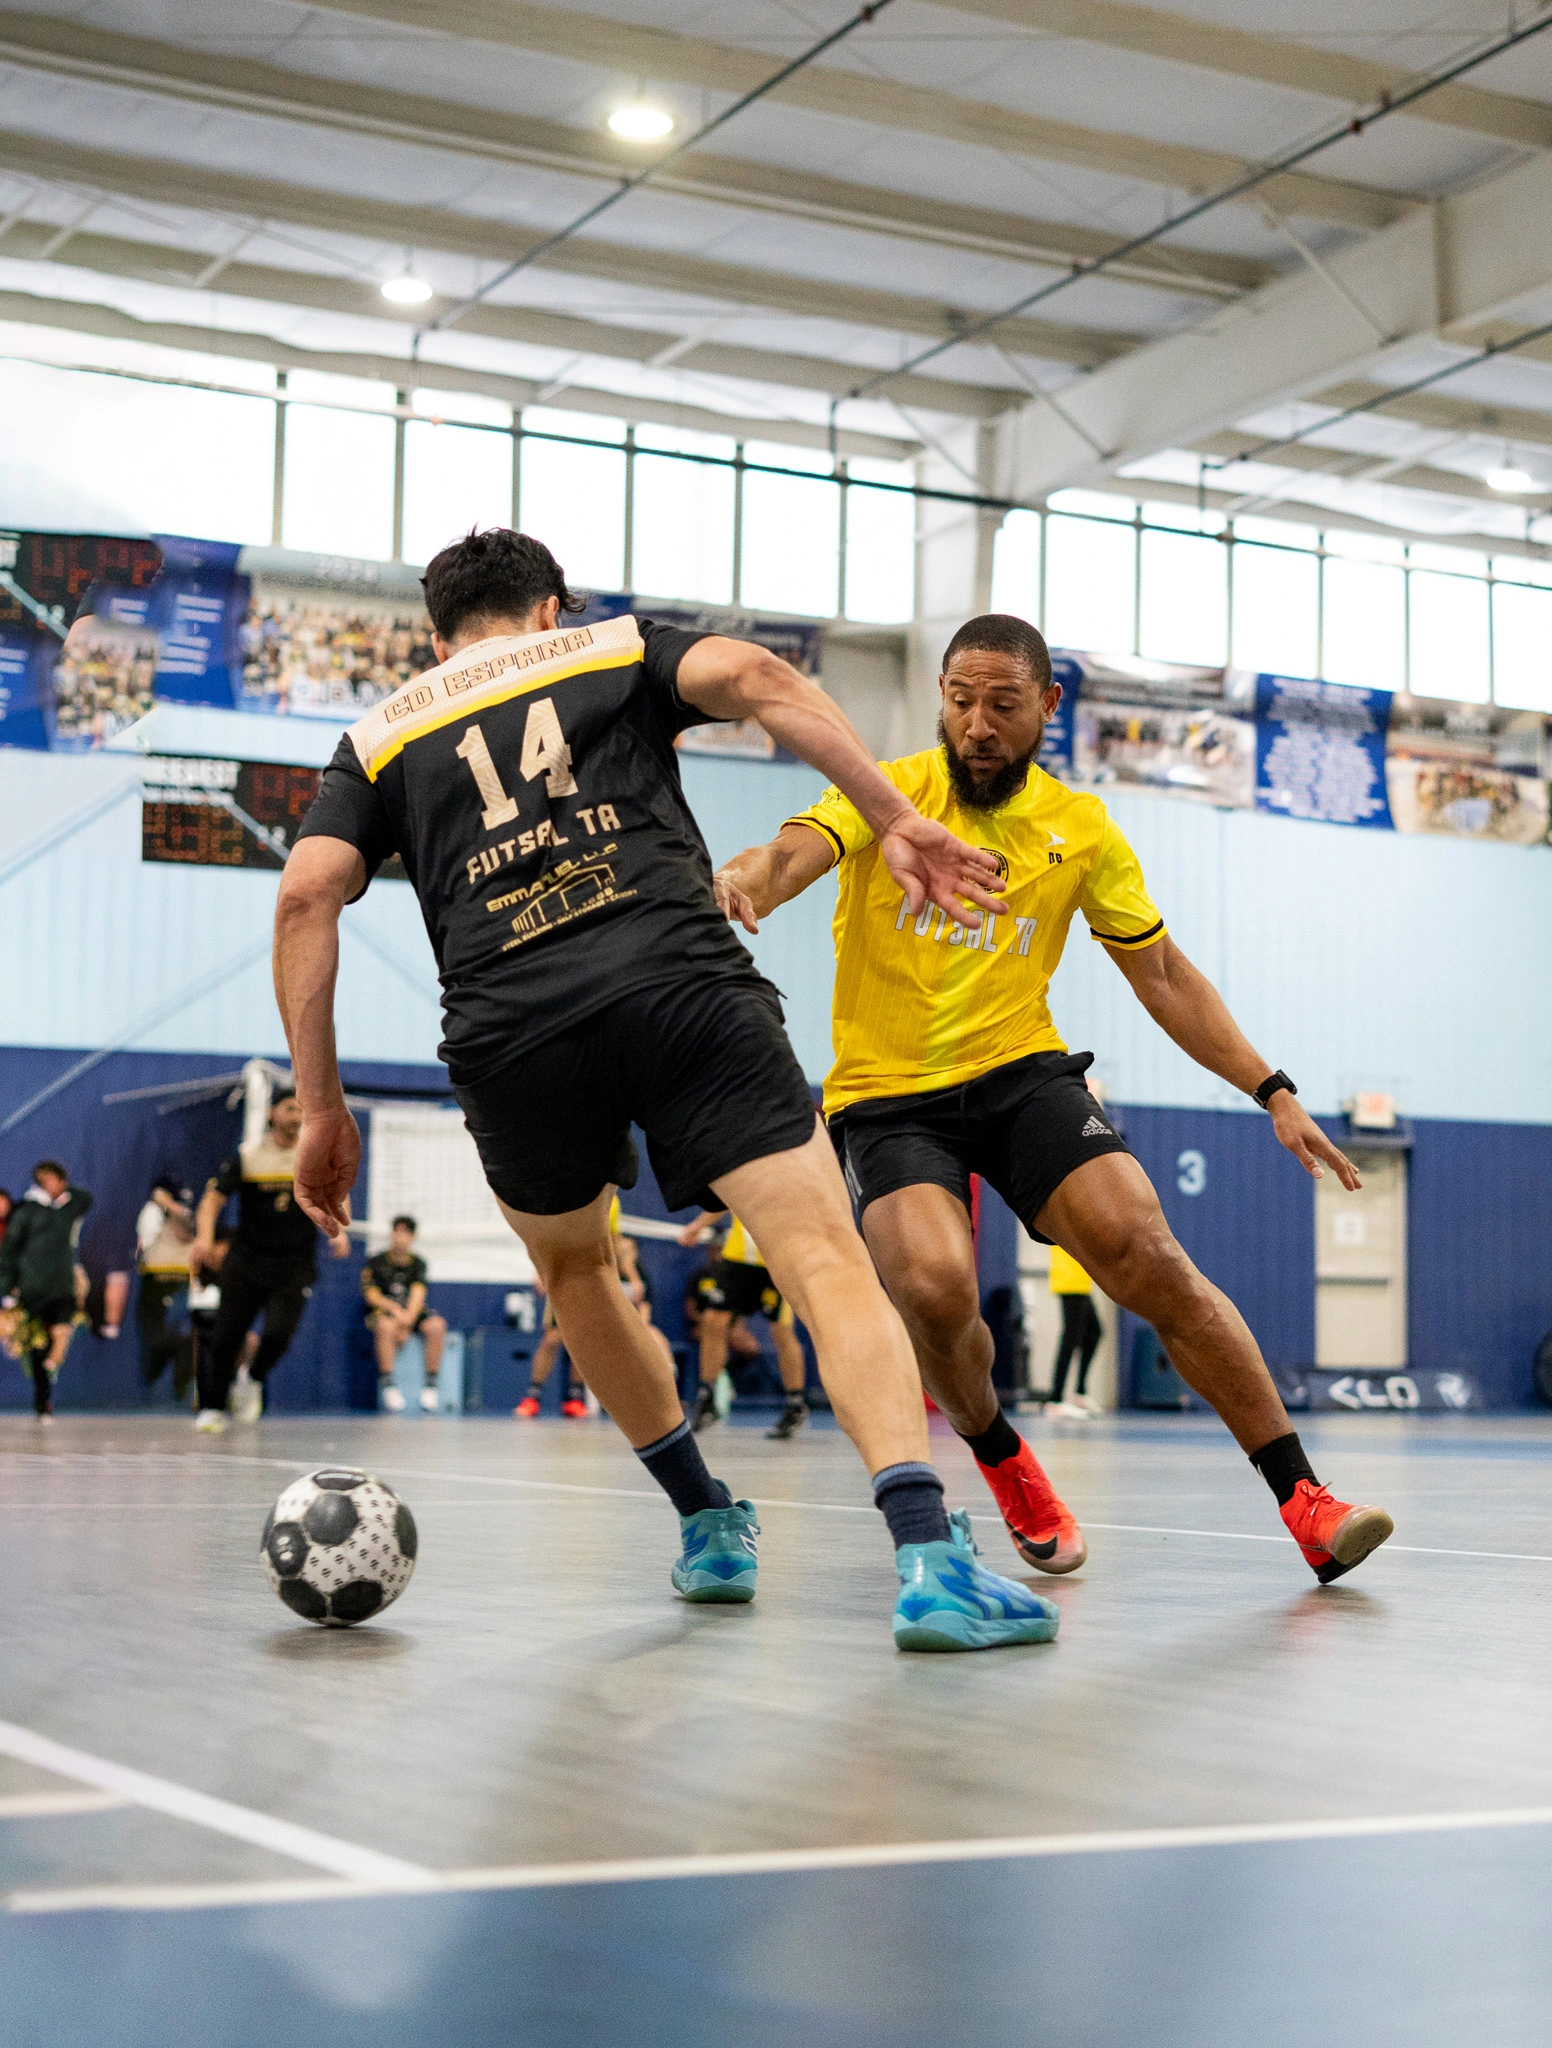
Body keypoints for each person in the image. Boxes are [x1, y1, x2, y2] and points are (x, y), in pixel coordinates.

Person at [275, 526, 1056, 1652]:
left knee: (577, 1267)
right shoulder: (607, 647)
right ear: (549, 607)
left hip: (511, 1030)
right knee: (825, 1258)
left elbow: (306, 895)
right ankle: (929, 1554)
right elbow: (759, 677)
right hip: (679, 981)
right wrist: (898, 817)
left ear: (436, 637)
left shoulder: (380, 735)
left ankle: (706, 1523)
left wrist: (325, 1105)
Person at [713, 612, 1394, 1588]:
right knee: (936, 1291)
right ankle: (999, 1454)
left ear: (1046, 705)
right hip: (887, 1096)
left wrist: (1270, 1088)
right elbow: (783, 857)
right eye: (959, 701)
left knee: (1147, 1253)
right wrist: (731, 882)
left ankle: (1305, 1499)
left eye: (1000, 704)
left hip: (1020, 1075)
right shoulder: (886, 791)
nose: (977, 725)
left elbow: (1159, 972)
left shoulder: (1080, 827)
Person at [188, 1087, 350, 1432]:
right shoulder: (247, 1156)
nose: (297, 1116)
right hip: (246, 1261)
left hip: (294, 1265)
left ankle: (254, 1377)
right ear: (273, 1114)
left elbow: (337, 1195)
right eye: (291, 1108)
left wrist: (339, 1231)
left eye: (302, 1110)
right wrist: (204, 1238)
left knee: (279, 1335)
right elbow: (212, 1200)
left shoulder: (314, 1157)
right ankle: (212, 1407)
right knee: (226, 1337)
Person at [678, 1209, 810, 1439]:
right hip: (738, 1259)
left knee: (781, 1330)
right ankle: (707, 1397)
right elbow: (724, 1197)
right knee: (713, 1320)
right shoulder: (744, 1171)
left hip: (777, 1259)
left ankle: (795, 1403)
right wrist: (698, 1225)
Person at [0, 1161, 92, 1422]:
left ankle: (57, 1356)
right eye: (47, 1180)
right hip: (34, 1288)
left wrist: (63, 1190)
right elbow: (8, 1254)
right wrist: (7, 1290)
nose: (52, 1184)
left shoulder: (67, 1207)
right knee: (37, 1346)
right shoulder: (27, 1212)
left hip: (63, 1284)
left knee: (64, 1323)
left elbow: (86, 1198)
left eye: (56, 1179)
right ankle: (43, 1402)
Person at [361, 1214, 446, 1412]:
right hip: (387, 1312)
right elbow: (371, 1295)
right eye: (396, 1232)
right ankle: (389, 1385)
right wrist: (395, 1310)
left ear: (412, 1237)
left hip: (409, 1314)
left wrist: (407, 1321)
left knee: (436, 1325)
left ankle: (431, 1387)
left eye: (405, 1233)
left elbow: (418, 1295)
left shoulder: (418, 1264)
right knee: (385, 1326)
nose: (400, 1238)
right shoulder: (376, 1262)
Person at [135, 1174, 197, 1403]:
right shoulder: (154, 1216)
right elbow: (146, 1241)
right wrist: (165, 1205)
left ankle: (181, 1394)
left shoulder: (195, 1222)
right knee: (156, 1345)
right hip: (156, 1294)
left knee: (189, 1345)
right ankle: (149, 1394)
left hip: (184, 1298)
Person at [1046, 1244, 1101, 1419]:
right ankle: (1055, 1400)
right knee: (1070, 1338)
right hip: (1069, 1280)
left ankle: (1079, 1392)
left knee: (1095, 1332)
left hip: (1081, 1281)